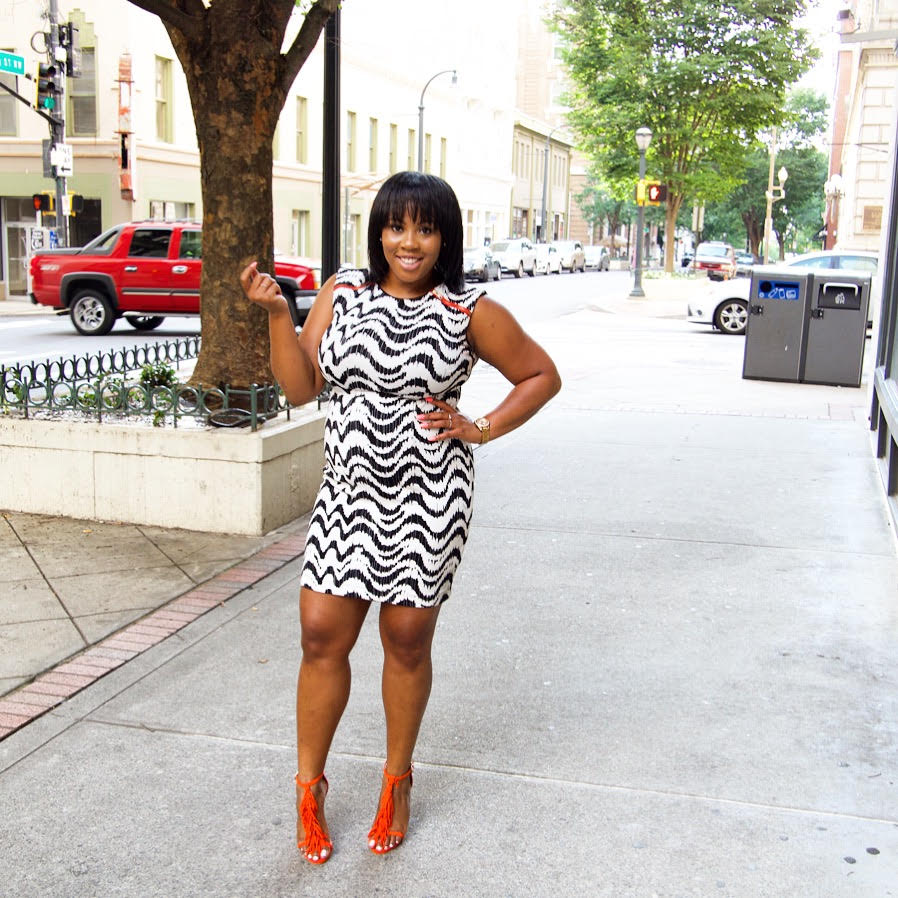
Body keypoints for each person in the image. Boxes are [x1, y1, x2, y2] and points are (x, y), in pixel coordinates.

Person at [240, 171, 561, 864]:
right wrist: (277, 317)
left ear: (445, 236)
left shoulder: (468, 309)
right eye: (394, 226)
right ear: (378, 231)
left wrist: (477, 427)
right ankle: (308, 787)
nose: (407, 242)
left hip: (428, 497)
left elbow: (541, 375)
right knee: (321, 633)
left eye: (423, 228)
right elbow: (301, 387)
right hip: (349, 492)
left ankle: (396, 780)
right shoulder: (344, 292)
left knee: (407, 641)